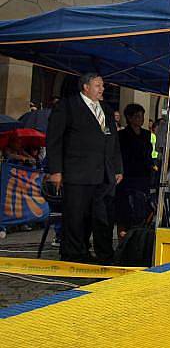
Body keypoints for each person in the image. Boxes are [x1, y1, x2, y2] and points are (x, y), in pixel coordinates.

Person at [46, 73, 123, 264]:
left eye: (102, 85)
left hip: (103, 173)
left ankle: (101, 253)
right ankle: (73, 253)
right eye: (98, 85)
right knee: (76, 215)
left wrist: (117, 167)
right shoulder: (67, 106)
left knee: (100, 216)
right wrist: (56, 170)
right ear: (85, 87)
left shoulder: (105, 108)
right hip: (77, 172)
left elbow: (113, 142)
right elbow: (54, 140)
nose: (102, 89)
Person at [115, 103, 154, 238]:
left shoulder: (146, 134)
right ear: (129, 118)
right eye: (137, 116)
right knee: (125, 213)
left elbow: (148, 153)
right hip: (128, 178)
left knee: (141, 212)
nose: (140, 119)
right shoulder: (122, 135)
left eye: (142, 116)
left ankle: (137, 239)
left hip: (143, 177)